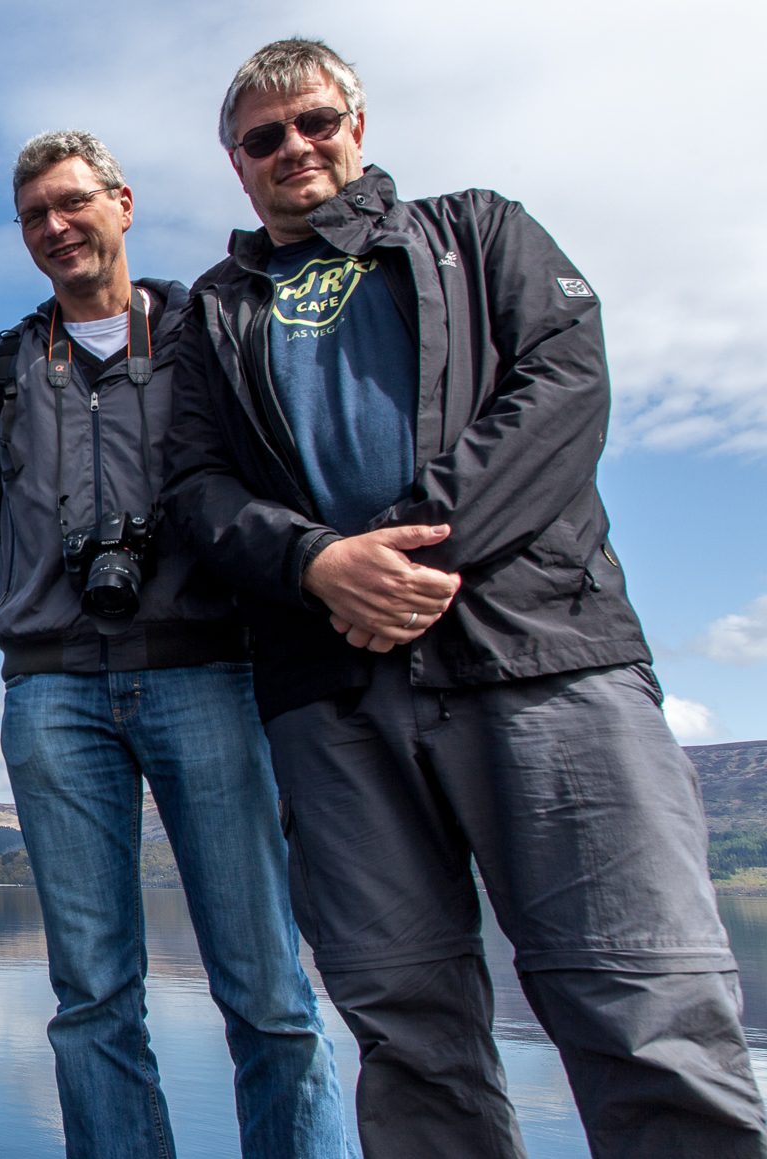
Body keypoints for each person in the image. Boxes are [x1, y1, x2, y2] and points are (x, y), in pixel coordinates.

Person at [164, 38, 767, 1158]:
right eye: (263, 138)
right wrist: (314, 563)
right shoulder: (213, 311)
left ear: (357, 122)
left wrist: (414, 550)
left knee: (645, 1009)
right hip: (333, 694)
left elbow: (563, 383)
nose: (293, 147)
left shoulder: (478, 231)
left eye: (314, 122)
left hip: (544, 661)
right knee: (408, 1035)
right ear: (236, 165)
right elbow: (196, 489)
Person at [0, 130, 352, 1159]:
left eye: (72, 202)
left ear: (123, 204)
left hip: (208, 672)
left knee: (267, 985)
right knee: (91, 997)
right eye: (34, 214)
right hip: (51, 691)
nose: (56, 227)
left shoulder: (208, 330)